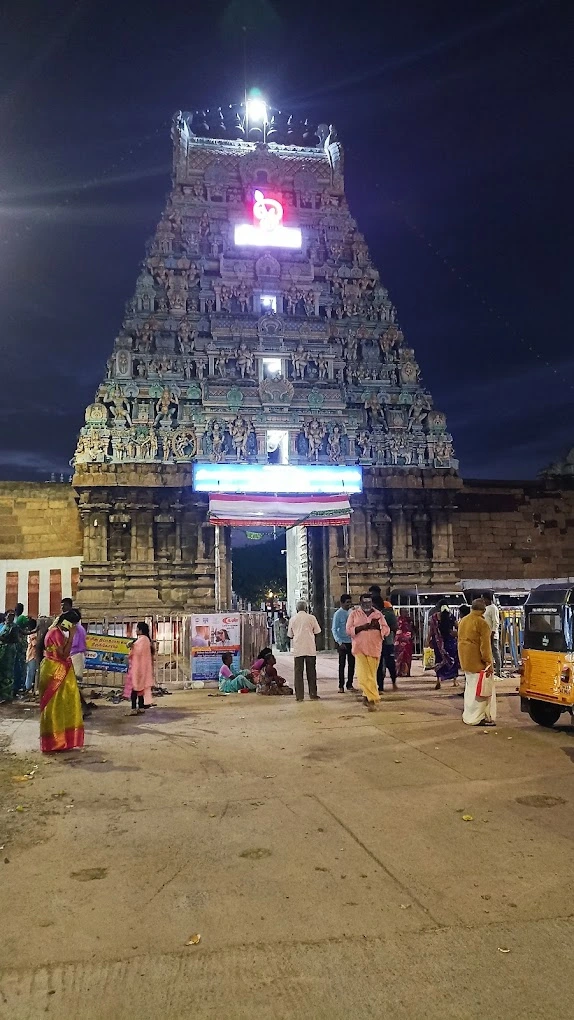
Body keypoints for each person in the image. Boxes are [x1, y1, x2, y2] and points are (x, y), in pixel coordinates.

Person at [38, 610, 84, 752]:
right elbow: (63, 654)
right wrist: (71, 637)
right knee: (54, 706)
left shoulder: (57, 632)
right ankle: (54, 742)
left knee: (64, 705)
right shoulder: (54, 634)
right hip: (54, 671)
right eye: (73, 624)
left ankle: (64, 740)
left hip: (60, 669)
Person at [346, 593, 390, 710]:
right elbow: (349, 630)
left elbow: (387, 629)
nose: (367, 605)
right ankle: (373, 698)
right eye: (364, 602)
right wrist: (363, 627)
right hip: (359, 648)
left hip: (374, 648)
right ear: (360, 603)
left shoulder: (378, 614)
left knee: (371, 675)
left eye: (369, 602)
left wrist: (378, 628)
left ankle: (366, 697)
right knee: (362, 675)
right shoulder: (354, 614)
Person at [459, 599, 496, 726]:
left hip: (465, 660)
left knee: (469, 690)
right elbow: (485, 646)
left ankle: (468, 716)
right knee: (479, 692)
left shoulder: (463, 620)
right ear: (484, 610)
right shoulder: (482, 623)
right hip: (477, 662)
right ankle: (477, 718)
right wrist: (488, 662)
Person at [288, 601, 321, 702]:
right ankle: (313, 693)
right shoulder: (312, 618)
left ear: (297, 609)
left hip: (298, 648)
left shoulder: (293, 619)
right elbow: (317, 631)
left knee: (298, 672)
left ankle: (299, 695)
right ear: (306, 608)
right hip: (310, 647)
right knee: (311, 672)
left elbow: (290, 634)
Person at [369, 587, 398, 692]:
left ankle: (393, 682)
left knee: (390, 663)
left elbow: (395, 627)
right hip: (377, 643)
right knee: (378, 665)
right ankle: (380, 687)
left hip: (387, 642)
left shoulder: (388, 613)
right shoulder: (370, 614)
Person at [428, 603, 460, 690]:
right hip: (450, 641)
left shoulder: (434, 618)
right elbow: (458, 627)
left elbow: (431, 631)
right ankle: (454, 681)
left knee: (439, 660)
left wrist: (428, 640)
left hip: (438, 643)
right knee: (452, 660)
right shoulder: (451, 617)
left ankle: (438, 681)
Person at [126, 622, 155, 713]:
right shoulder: (146, 640)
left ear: (141, 630)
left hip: (138, 668)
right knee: (140, 688)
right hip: (143, 667)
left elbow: (136, 651)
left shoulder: (142, 640)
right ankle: (141, 706)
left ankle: (134, 708)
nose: (136, 630)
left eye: (137, 628)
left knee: (134, 687)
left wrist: (131, 646)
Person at [331, 594, 357, 693]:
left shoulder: (352, 613)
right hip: (342, 643)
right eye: (347, 603)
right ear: (342, 603)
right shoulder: (338, 614)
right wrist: (339, 641)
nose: (349, 604)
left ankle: (349, 684)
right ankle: (340, 685)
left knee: (352, 664)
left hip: (351, 642)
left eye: (350, 602)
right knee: (341, 665)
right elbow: (334, 629)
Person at [0, 611, 18, 704]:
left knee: (7, 672)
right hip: (3, 649)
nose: (9, 618)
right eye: (8, 616)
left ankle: (6, 695)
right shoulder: (3, 625)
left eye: (12, 616)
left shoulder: (13, 627)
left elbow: (6, 637)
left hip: (8, 650)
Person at [482, 593, 502, 676]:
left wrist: (492, 633)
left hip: (492, 635)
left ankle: (498, 671)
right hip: (486, 635)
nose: (483, 601)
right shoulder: (485, 608)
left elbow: (496, 622)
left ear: (488, 599)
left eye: (484, 599)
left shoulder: (493, 608)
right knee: (488, 653)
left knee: (495, 653)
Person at [395, 612, 414, 676]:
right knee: (403, 658)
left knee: (403, 658)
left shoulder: (401, 620)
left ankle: (403, 672)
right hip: (404, 641)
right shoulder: (403, 621)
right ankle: (404, 672)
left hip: (404, 641)